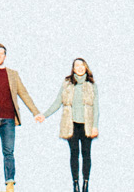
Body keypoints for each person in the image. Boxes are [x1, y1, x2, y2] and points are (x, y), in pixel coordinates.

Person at [0, 43, 43, 192]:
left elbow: (23, 94)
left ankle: (10, 182)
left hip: (9, 118)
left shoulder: (13, 74)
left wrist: (35, 112)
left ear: (5, 56)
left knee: (9, 152)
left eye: (2, 53)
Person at [39, 57, 99, 192]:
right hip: (71, 125)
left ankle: (86, 184)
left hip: (87, 125)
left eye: (82, 65)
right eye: (77, 66)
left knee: (86, 154)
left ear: (85, 67)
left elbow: (96, 107)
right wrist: (44, 115)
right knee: (74, 154)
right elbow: (57, 102)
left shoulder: (91, 85)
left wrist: (95, 126)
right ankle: (75, 184)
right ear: (73, 68)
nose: (79, 68)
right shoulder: (67, 84)